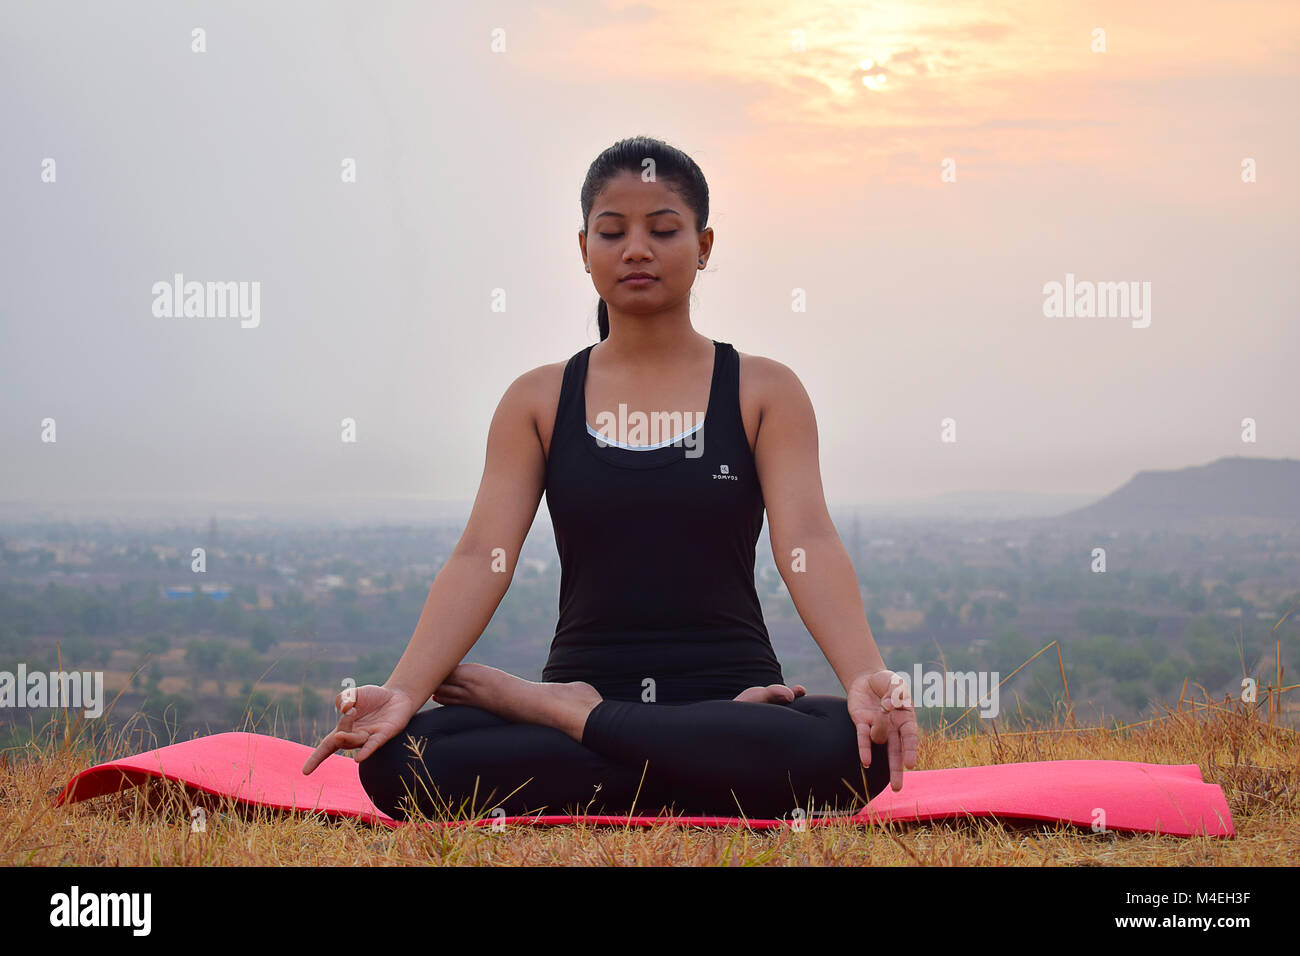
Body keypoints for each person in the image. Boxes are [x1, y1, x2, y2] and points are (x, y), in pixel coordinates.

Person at [302, 135, 920, 822]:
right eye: (612, 231)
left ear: (705, 245)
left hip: (733, 700)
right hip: (616, 689)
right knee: (401, 763)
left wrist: (866, 678)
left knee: (842, 750)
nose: (635, 250)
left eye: (662, 230)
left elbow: (809, 541)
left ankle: (574, 723)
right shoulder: (538, 400)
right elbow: (483, 555)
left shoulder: (762, 391)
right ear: (583, 249)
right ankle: (638, 743)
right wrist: (403, 691)